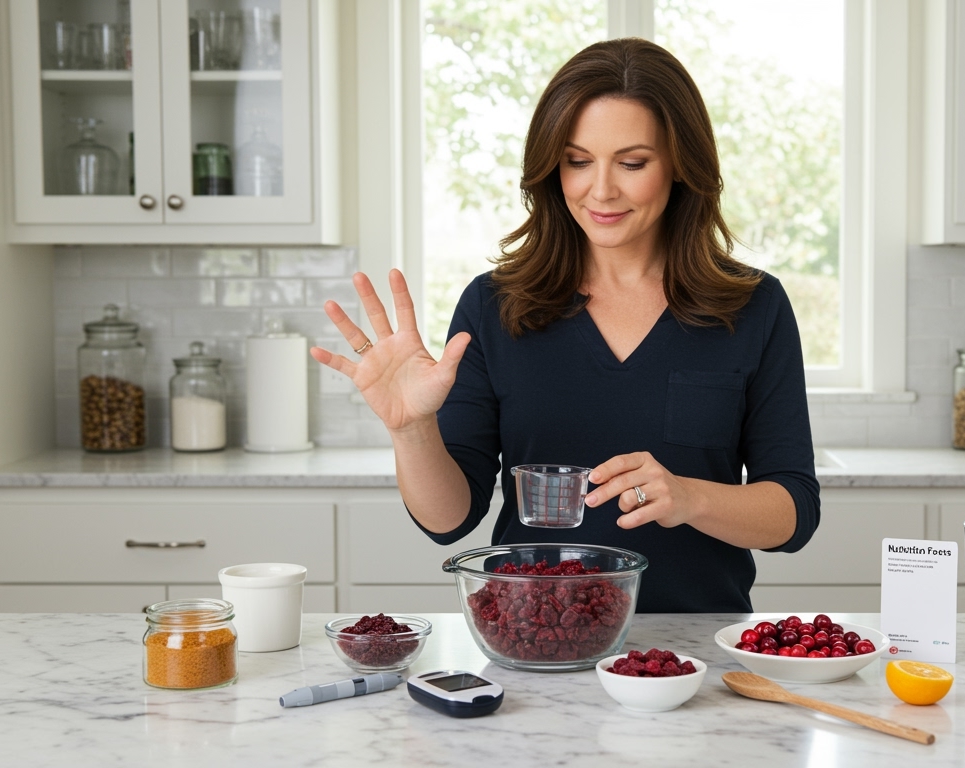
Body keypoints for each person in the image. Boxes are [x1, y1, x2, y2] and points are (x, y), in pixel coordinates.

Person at [311, 38, 819, 612]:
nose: (600, 189)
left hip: (693, 656)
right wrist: (410, 430)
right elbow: (448, 522)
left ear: (681, 165)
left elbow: (794, 512)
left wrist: (689, 498)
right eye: (578, 161)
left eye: (632, 163)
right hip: (534, 645)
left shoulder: (753, 306)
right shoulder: (494, 306)